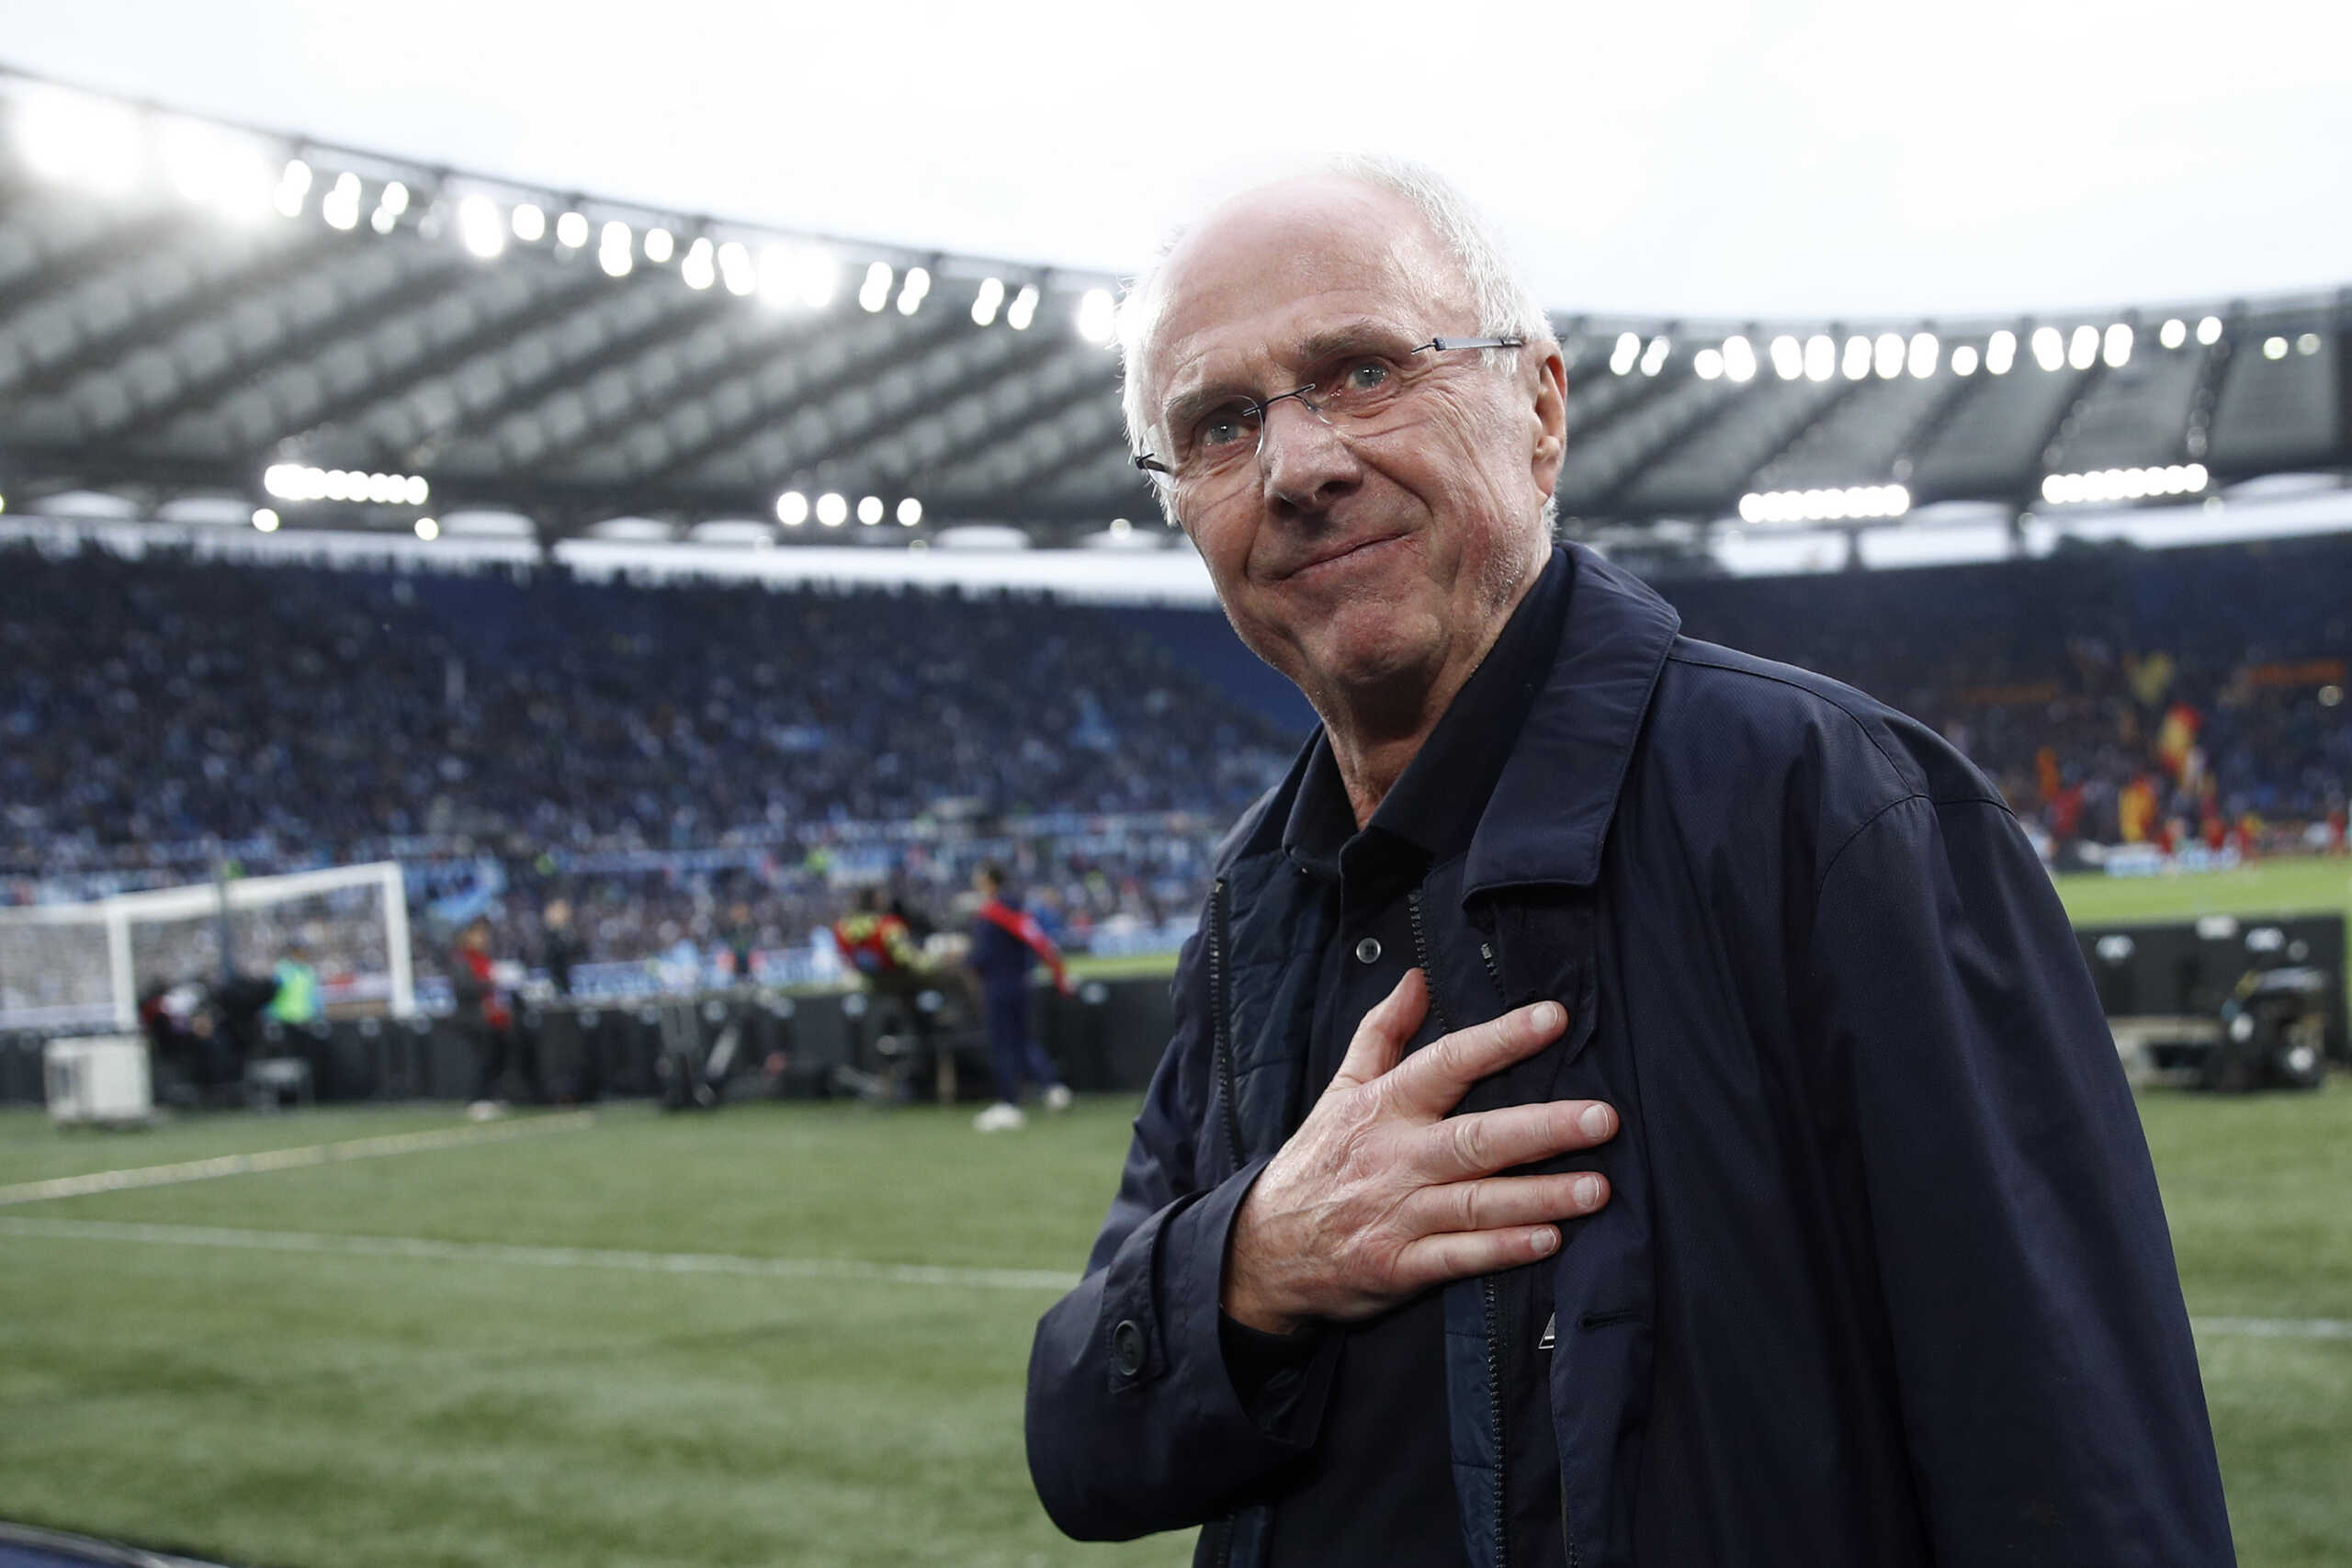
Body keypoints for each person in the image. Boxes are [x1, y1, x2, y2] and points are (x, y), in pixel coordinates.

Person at [1024, 159, 2233, 1567]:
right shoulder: (1259, 900)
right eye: (1221, 423)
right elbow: (1086, 1445)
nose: (1300, 466)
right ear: (1180, 500)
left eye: (1361, 372)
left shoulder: (1833, 813)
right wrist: (1253, 1259)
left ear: (1539, 410)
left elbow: (2078, 1478)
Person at [966, 863, 1074, 1131]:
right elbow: (1039, 944)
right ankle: (1052, 1087)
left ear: (990, 882)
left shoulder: (990, 915)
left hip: (998, 985)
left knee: (1003, 1043)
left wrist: (964, 958)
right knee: (1022, 1040)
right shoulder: (1019, 912)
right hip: (1021, 982)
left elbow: (982, 956)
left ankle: (1008, 1103)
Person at [450, 917, 539, 1119]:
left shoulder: (485, 958)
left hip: (493, 1018)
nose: (483, 938)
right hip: (473, 1018)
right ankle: (477, 1099)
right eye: (478, 933)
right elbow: (464, 989)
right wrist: (492, 981)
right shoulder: (461, 959)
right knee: (483, 1058)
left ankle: (490, 1096)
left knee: (497, 1056)